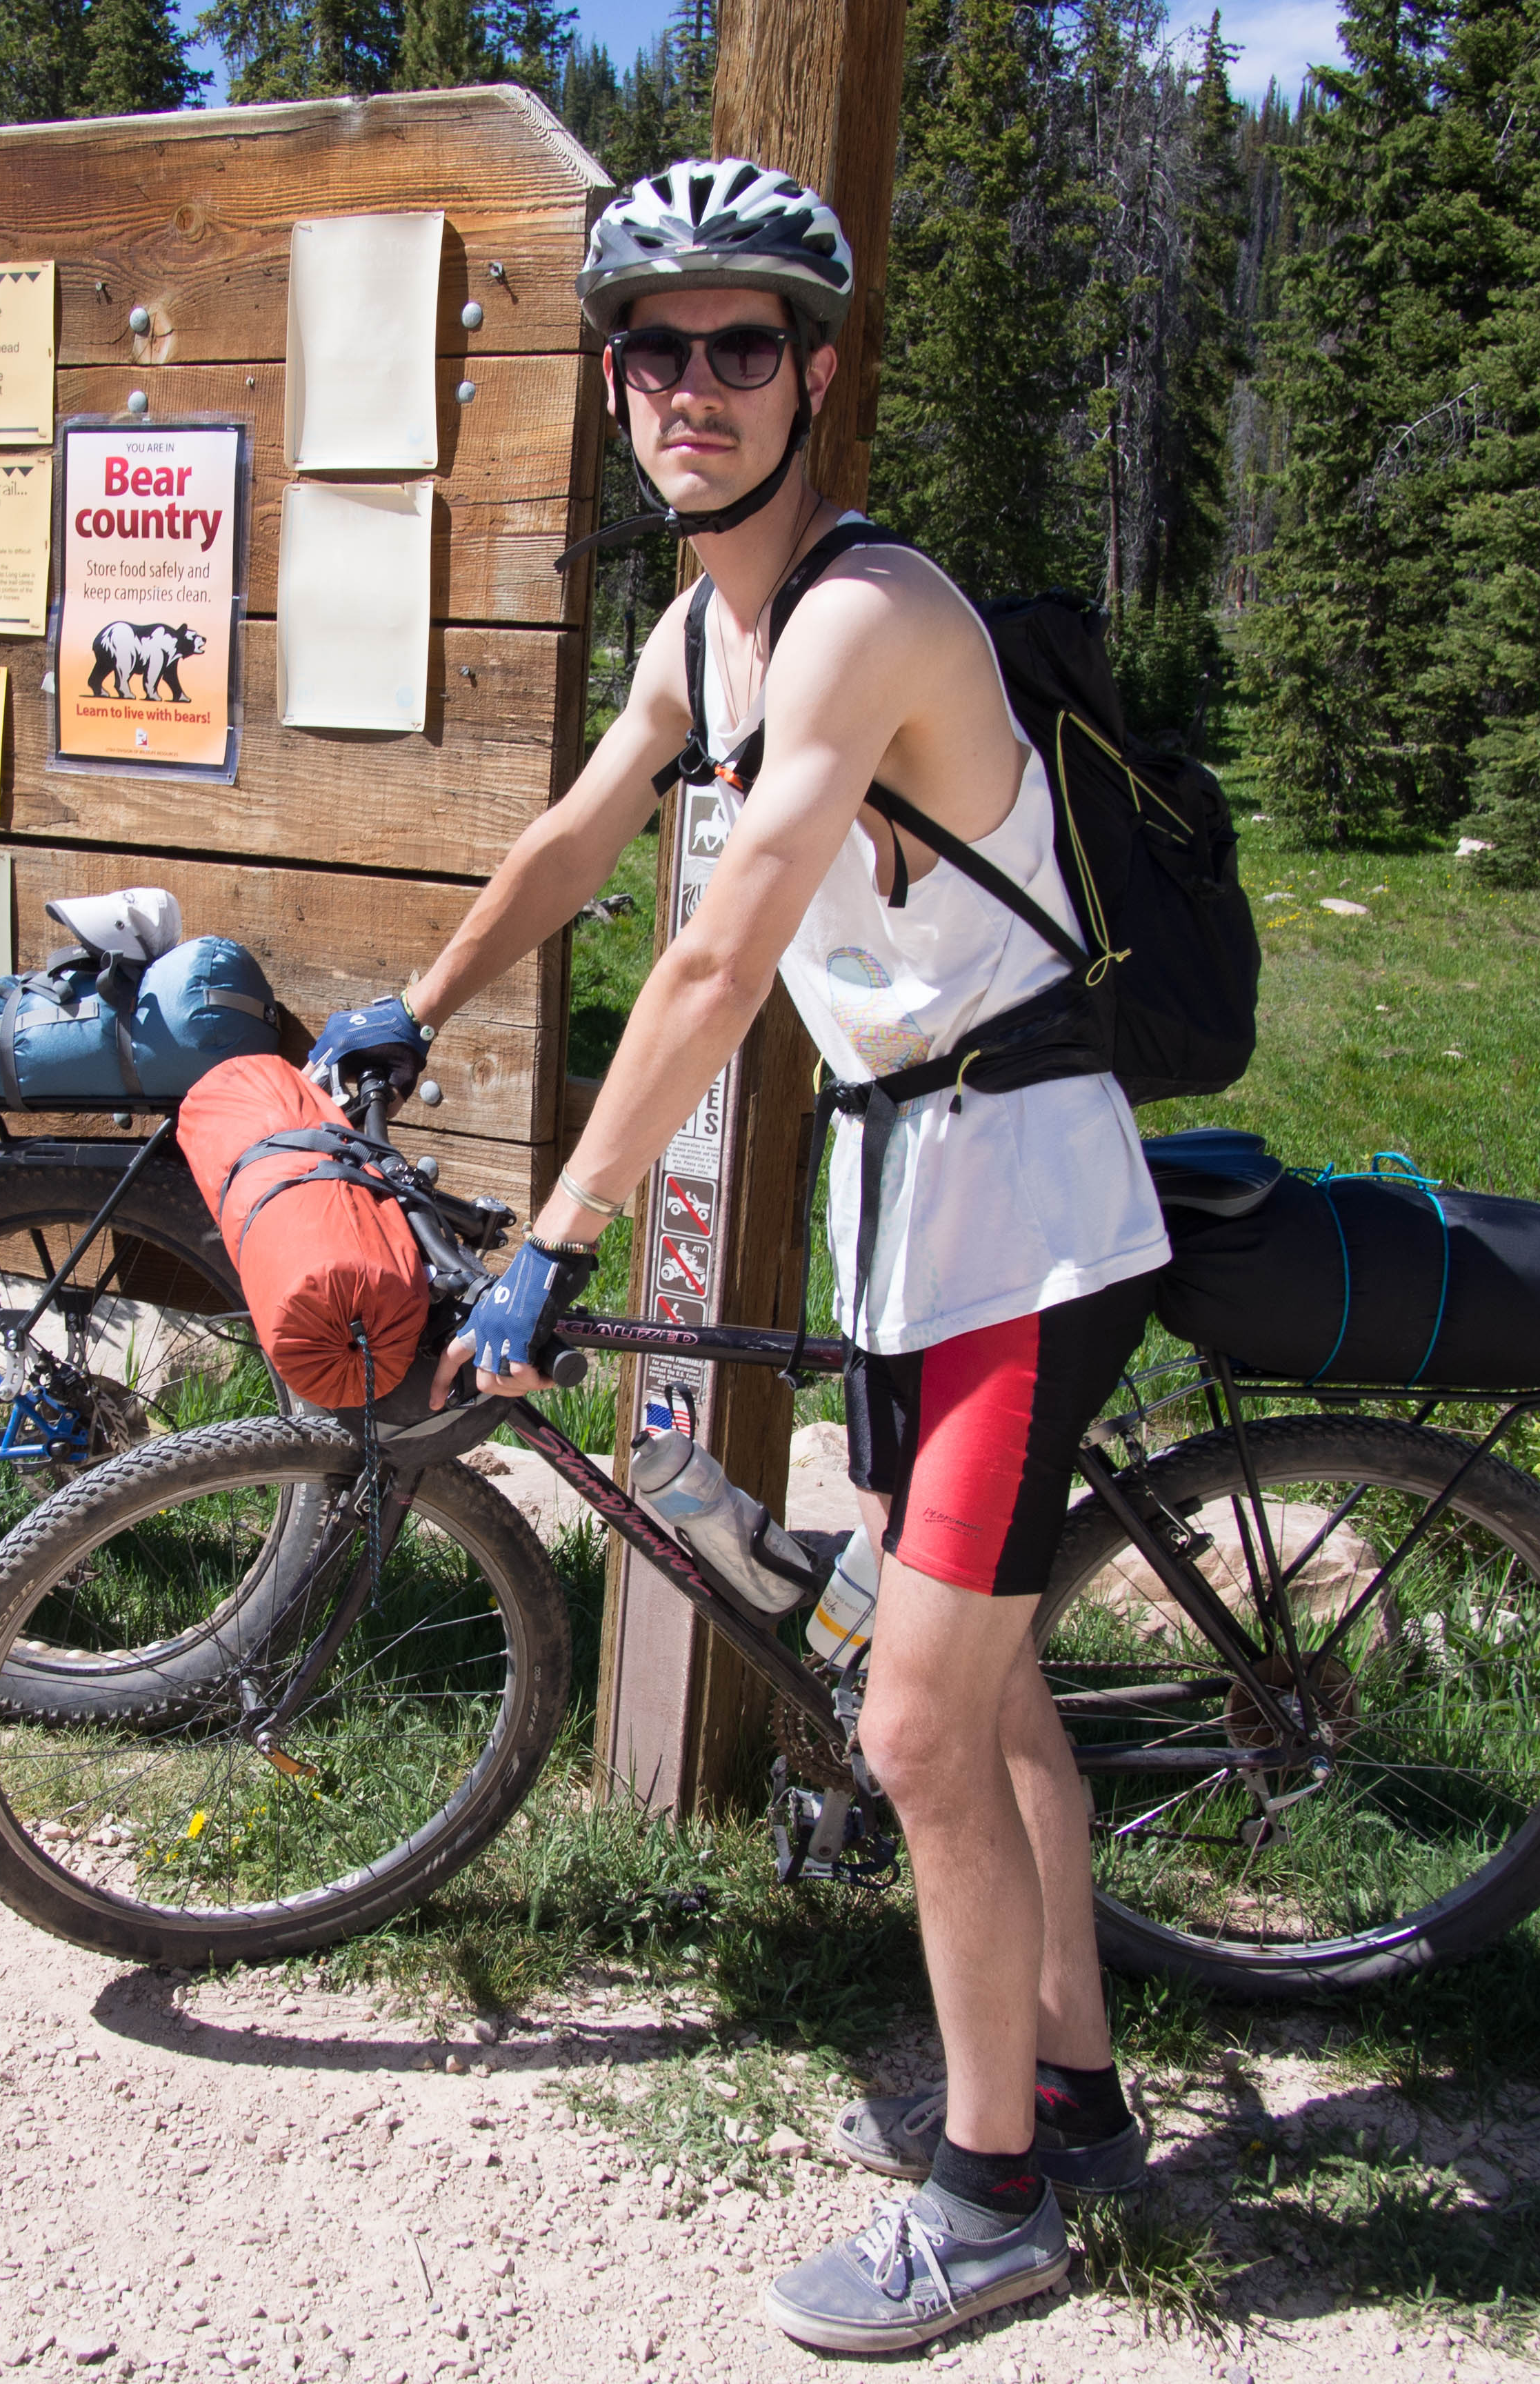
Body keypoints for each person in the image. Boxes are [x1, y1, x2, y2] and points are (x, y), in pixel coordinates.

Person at [302, 157, 1170, 2356]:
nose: (696, 386)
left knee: (915, 1726)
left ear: (815, 377)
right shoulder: (702, 632)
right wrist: (424, 995)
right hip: (913, 1209)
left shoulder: (868, 617)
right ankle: (1076, 2088)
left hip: (1026, 1211)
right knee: (984, 1687)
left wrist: (556, 1236)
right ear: (616, 386)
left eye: (744, 346)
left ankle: (991, 2203)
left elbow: (715, 951)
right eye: (657, 351)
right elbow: (579, 835)